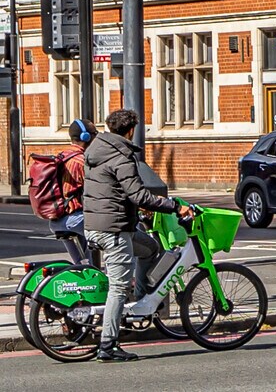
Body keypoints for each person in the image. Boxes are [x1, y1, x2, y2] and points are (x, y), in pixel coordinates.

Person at [82, 107, 192, 363]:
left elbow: (112, 192)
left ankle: (141, 305)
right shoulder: (121, 155)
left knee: (151, 248)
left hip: (99, 224)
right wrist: (174, 205)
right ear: (131, 130)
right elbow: (137, 194)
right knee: (118, 288)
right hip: (114, 230)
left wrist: (138, 215)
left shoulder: (96, 149)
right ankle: (108, 346)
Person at [51, 119, 93, 264]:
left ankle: (87, 280)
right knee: (114, 239)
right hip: (75, 218)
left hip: (57, 219)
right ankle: (122, 280)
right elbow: (98, 188)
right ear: (86, 137)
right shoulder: (81, 161)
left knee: (82, 265)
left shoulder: (61, 156)